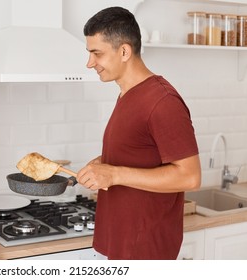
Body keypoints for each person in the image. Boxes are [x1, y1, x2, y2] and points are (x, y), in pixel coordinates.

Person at [76, 7, 201, 260]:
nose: (90, 63)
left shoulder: (163, 101)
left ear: (124, 51)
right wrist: (103, 163)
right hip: (119, 243)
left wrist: (114, 173)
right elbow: (141, 153)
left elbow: (190, 177)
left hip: (145, 248)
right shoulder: (128, 94)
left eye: (96, 53)